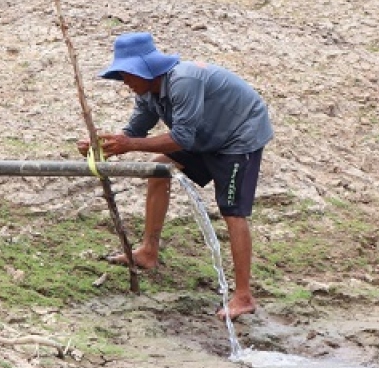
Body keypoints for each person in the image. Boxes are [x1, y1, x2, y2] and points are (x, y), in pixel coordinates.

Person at [78, 32, 273, 320]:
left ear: (143, 70)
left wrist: (129, 146)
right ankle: (148, 251)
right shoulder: (147, 93)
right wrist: (103, 146)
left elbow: (180, 138)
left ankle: (243, 295)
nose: (126, 83)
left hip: (238, 136)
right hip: (204, 136)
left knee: (232, 210)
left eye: (127, 75)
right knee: (159, 169)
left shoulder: (184, 81)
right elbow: (135, 132)